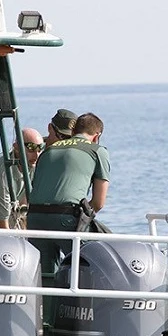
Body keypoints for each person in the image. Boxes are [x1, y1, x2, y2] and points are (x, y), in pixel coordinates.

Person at [27, 112, 110, 273]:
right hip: (66, 217)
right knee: (95, 261)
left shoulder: (47, 151)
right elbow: (99, 203)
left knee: (44, 274)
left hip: (35, 217)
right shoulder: (97, 151)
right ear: (96, 136)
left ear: (73, 132)